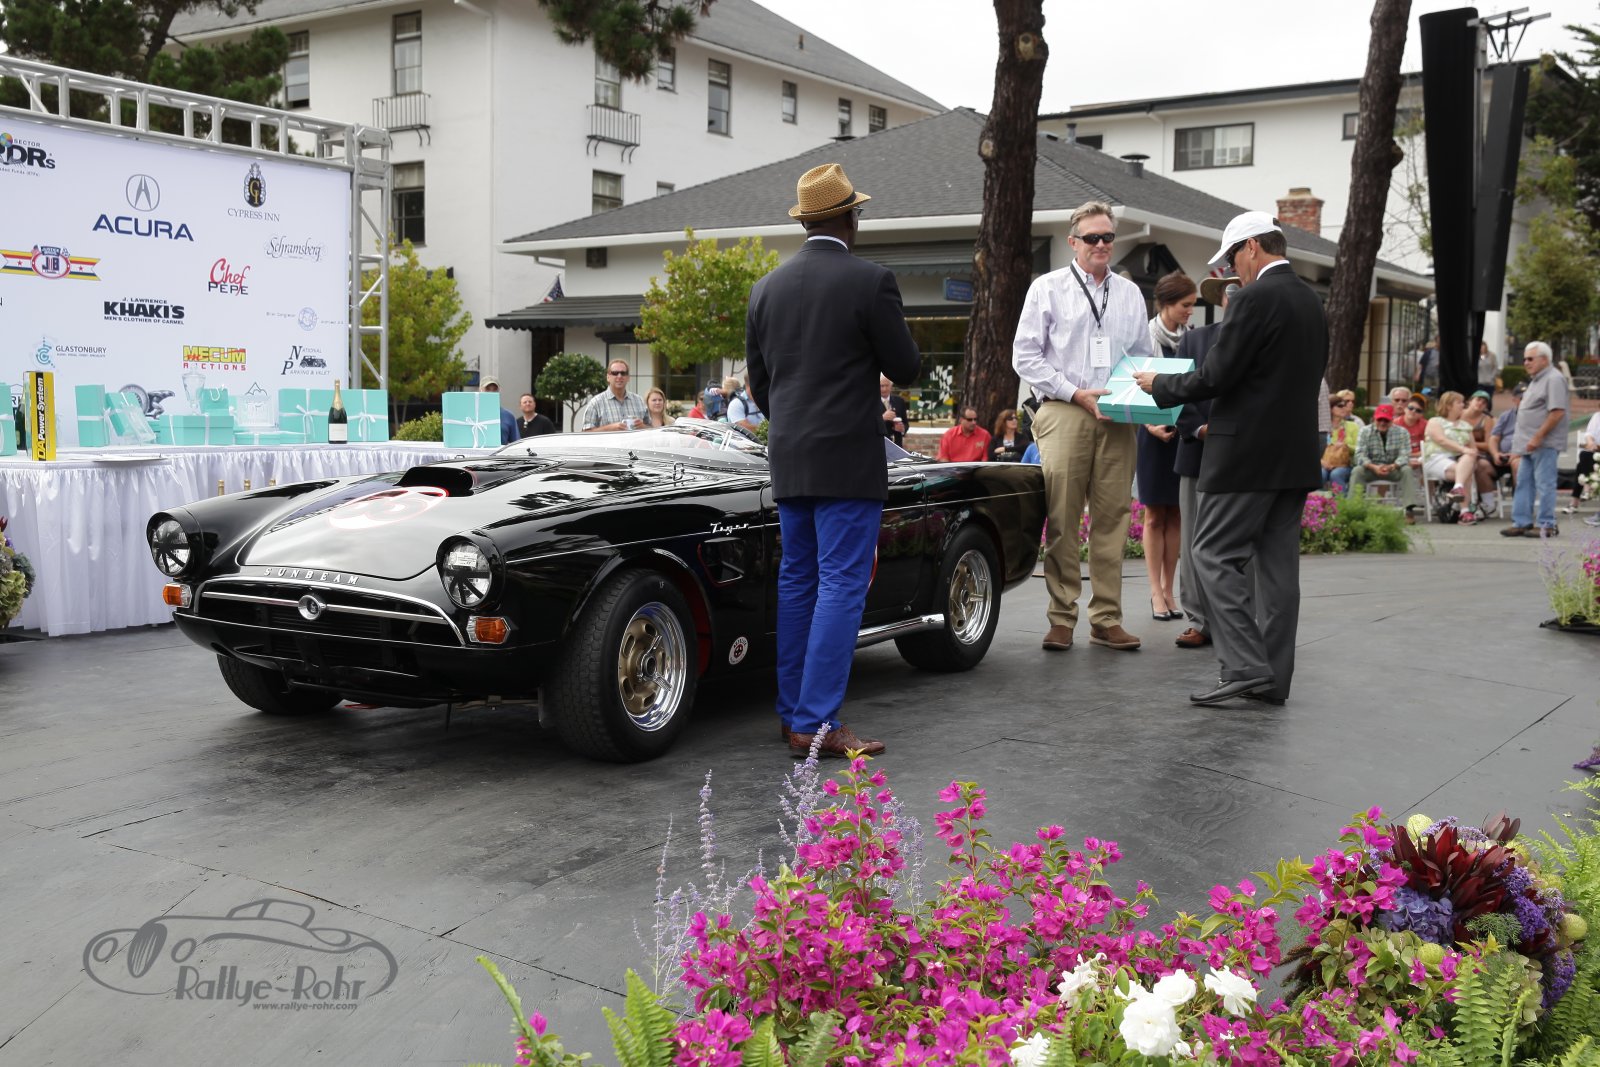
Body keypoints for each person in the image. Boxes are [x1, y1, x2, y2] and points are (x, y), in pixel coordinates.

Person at [745, 162, 921, 758]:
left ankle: (796, 714)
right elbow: (907, 366)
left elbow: (762, 387)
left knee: (798, 581)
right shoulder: (870, 281)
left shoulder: (765, 288)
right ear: (851, 216)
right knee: (842, 584)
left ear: (806, 221)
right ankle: (816, 722)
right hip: (848, 455)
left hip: (791, 454)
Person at [1133, 210, 1327, 707]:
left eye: (1232, 259)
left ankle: (1243, 665)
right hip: (1294, 455)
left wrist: (1160, 384)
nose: (1231, 271)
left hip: (1245, 455)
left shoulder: (1254, 297)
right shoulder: (1311, 300)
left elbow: (1216, 375)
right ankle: (1271, 681)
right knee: (1279, 573)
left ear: (1252, 247)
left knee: (1212, 554)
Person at [1012, 200, 1152, 654]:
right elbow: (1025, 356)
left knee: (1113, 519)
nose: (1101, 244)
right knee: (1063, 518)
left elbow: (1143, 358)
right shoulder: (1047, 288)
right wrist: (1075, 393)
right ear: (1073, 242)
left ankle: (1106, 619)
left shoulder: (1129, 294)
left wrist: (1147, 409)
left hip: (1116, 413)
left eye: (1108, 236)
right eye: (1092, 237)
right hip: (1065, 408)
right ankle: (1061, 618)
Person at [1170, 275, 1236, 651]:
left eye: (1242, 288)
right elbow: (1177, 391)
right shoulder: (1194, 340)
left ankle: (1237, 621)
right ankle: (1198, 620)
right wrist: (1199, 429)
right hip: (1198, 451)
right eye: (1229, 290)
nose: (1234, 295)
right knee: (1193, 540)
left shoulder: (1265, 338)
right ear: (1221, 298)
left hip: (1246, 454)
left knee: (1241, 542)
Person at [1140, 271, 1196, 621]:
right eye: (1185, 305)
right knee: (1153, 514)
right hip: (1150, 433)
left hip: (1182, 431)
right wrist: (1150, 425)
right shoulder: (1144, 337)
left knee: (1176, 512)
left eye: (1192, 305)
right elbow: (1130, 383)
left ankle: (1169, 589)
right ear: (1166, 304)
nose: (1190, 311)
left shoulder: (1192, 337)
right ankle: (1154, 592)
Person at [1501, 341, 1569, 537]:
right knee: (1524, 482)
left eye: (1530, 359)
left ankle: (1546, 524)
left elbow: (1557, 412)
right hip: (1528, 444)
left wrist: (1538, 437)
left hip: (1543, 443)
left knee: (1544, 484)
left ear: (1544, 360)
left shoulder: (1553, 379)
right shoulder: (1537, 379)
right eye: (1525, 359)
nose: (1526, 363)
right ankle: (1522, 522)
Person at [1422, 391, 1491, 524]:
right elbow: (1441, 440)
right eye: (1459, 402)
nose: (1463, 405)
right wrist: (1463, 449)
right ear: (1448, 406)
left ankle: (1458, 488)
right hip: (1437, 458)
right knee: (1466, 471)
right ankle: (1465, 512)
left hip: (1459, 461)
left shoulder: (1465, 426)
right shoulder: (1435, 421)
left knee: (1468, 459)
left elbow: (1473, 448)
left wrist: (1469, 452)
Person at [1348, 404, 1420, 517]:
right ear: (1374, 419)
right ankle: (1353, 509)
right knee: (1357, 471)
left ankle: (1409, 510)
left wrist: (1393, 466)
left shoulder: (1402, 432)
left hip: (1393, 468)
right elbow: (1359, 454)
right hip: (1371, 468)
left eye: (1386, 420)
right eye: (1380, 419)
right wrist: (1373, 467)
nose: (1382, 423)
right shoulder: (1365, 431)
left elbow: (1405, 454)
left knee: (1407, 470)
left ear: (1392, 420)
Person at [582, 358, 649, 431]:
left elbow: (652, 429)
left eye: (623, 373)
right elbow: (586, 433)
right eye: (615, 373)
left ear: (628, 378)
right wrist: (610, 428)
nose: (619, 376)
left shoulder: (639, 401)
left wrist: (643, 427)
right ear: (608, 377)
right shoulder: (596, 403)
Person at [1322, 393, 1362, 493]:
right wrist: (1322, 462)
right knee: (1320, 474)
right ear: (1330, 409)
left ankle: (1340, 502)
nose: (1344, 408)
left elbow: (1359, 448)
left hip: (1346, 464)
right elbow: (1311, 450)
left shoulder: (1353, 426)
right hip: (1324, 464)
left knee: (1336, 474)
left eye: (1345, 405)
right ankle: (1316, 501)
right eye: (1340, 406)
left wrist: (1346, 446)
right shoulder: (1322, 428)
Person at [1488, 383, 1522, 486]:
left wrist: (1516, 454)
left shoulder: (1536, 415)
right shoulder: (1505, 415)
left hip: (1522, 455)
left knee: (1517, 464)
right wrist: (1495, 454)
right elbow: (1494, 438)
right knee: (1481, 466)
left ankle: (1519, 495)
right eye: (1521, 398)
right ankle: (1487, 496)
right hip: (1504, 456)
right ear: (1514, 399)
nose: (1524, 401)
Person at [1574, 409, 1599, 521]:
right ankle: (1587, 488)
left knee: (1583, 462)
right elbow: (1589, 434)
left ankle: (1576, 500)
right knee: (1584, 455)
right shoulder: (1597, 416)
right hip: (1596, 451)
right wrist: (1590, 442)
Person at [481, 377, 519, 444]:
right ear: (480, 390)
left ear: (499, 391)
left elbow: (516, 443)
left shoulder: (508, 416)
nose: (491, 393)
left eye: (495, 390)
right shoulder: (471, 416)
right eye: (487, 389)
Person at [1398, 395, 1428, 471]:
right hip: (1400, 458)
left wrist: (1418, 455)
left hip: (1421, 458)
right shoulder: (1395, 424)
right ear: (1405, 409)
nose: (1413, 411)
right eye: (1411, 408)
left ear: (1422, 414)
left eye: (1418, 410)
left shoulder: (1426, 425)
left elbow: (1428, 447)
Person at [879, 374, 909, 445]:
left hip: (896, 444)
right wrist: (882, 418)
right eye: (882, 386)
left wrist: (902, 429)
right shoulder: (872, 403)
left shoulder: (899, 401)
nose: (884, 389)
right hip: (879, 444)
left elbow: (906, 423)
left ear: (891, 386)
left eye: (887, 385)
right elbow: (867, 424)